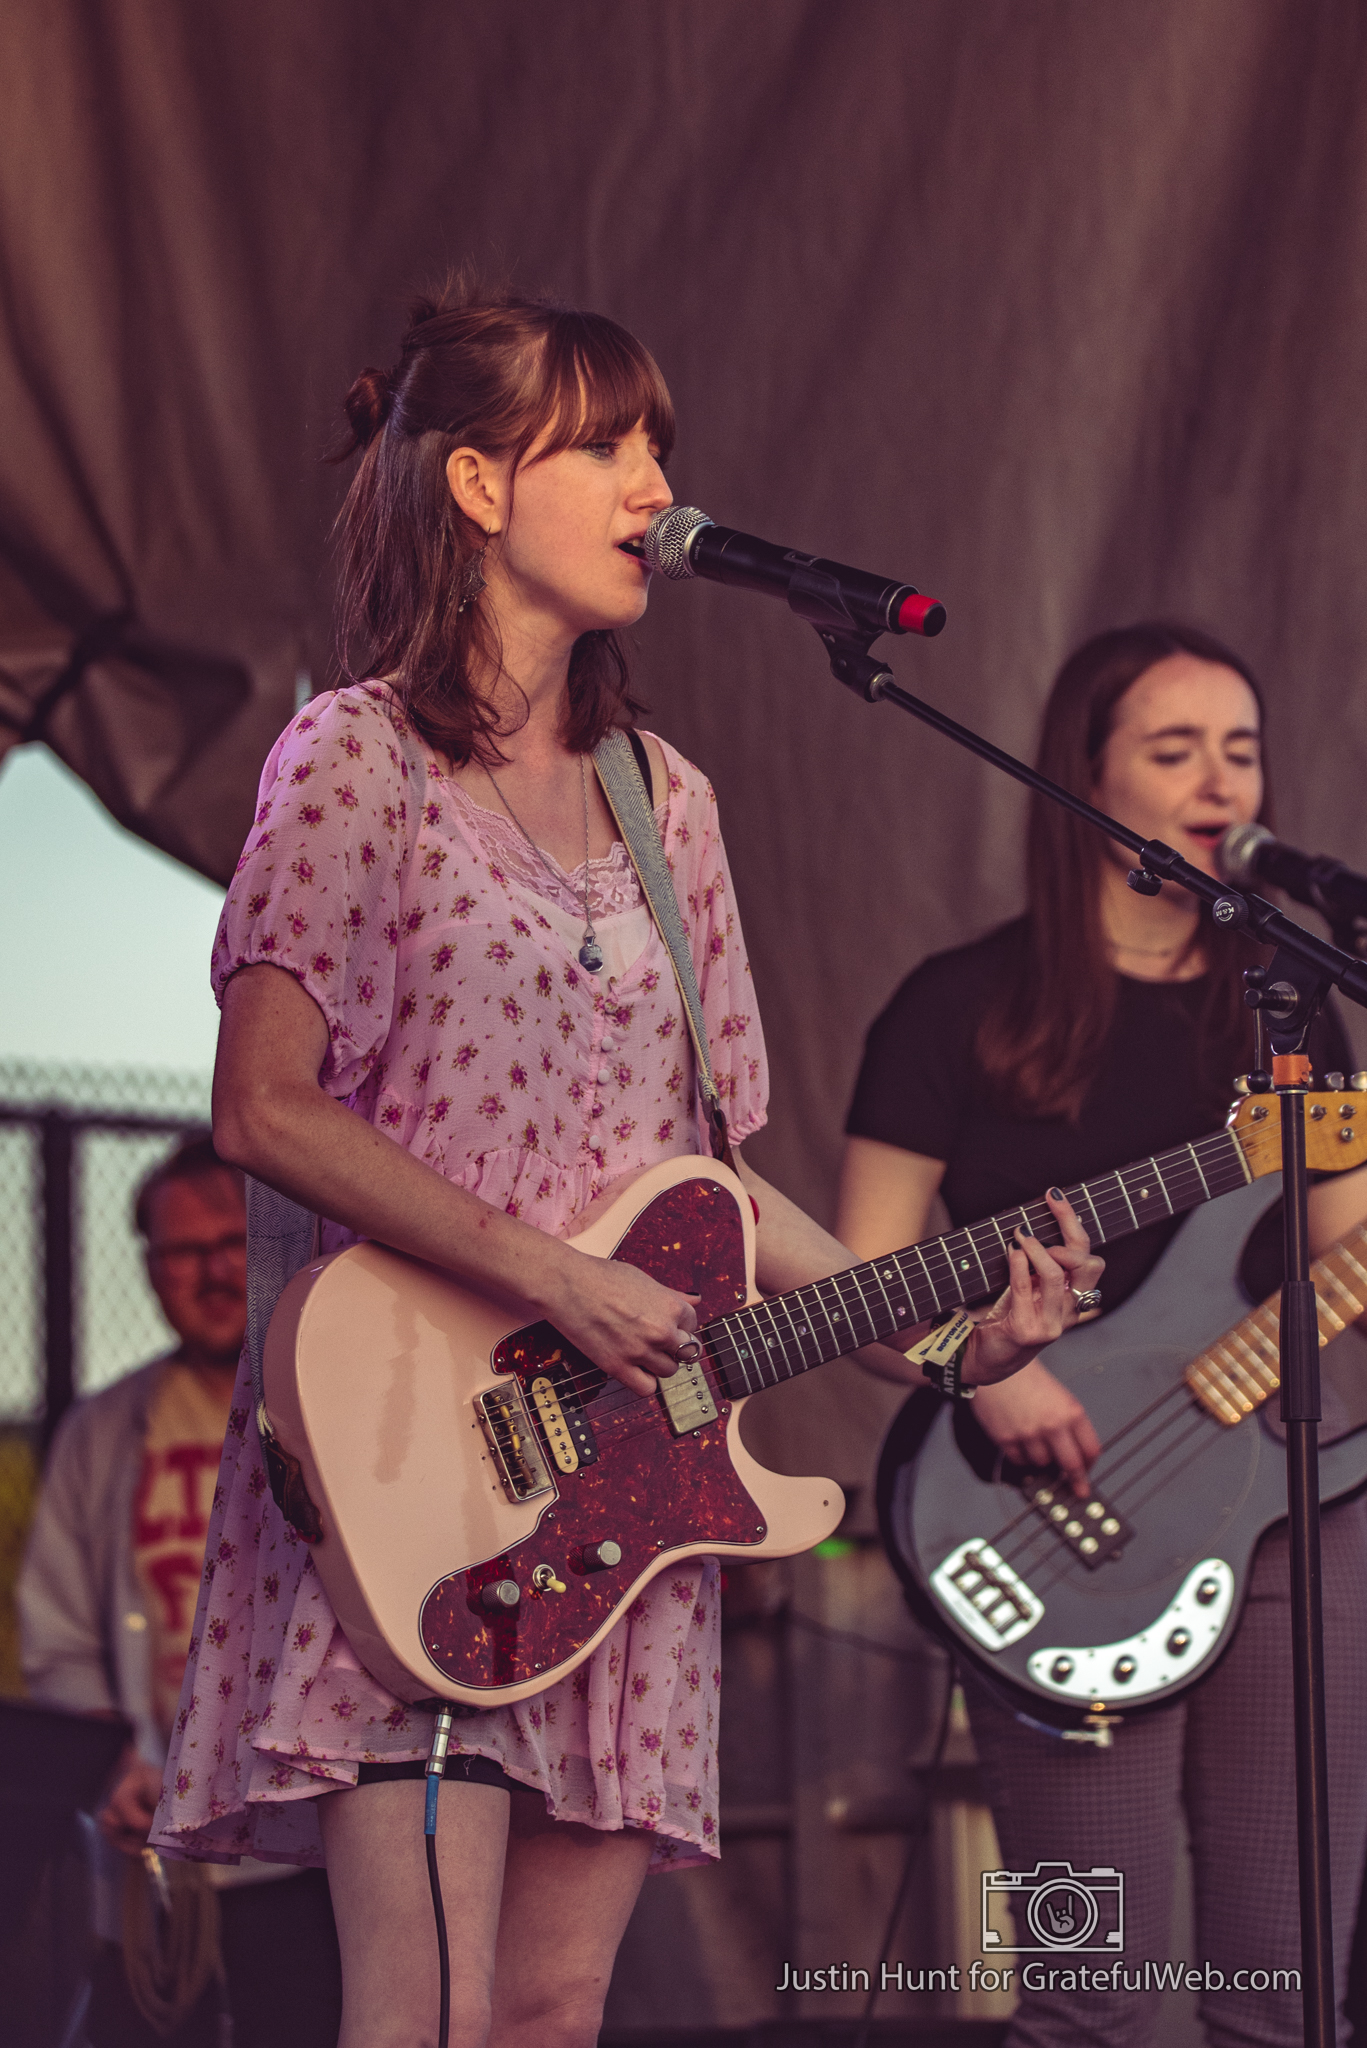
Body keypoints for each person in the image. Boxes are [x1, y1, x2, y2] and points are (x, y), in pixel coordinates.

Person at [146, 282, 1101, 2048]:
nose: (657, 478)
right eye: (606, 440)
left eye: (655, 439)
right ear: (482, 486)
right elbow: (264, 1108)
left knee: (552, 2007)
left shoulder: (673, 802)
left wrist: (958, 1325)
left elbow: (719, 1191)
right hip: (411, 1454)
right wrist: (548, 1270)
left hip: (629, 1499)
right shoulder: (352, 759)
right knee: (415, 2012)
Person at [838, 621, 1367, 2048]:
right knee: (1095, 2003)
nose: (1217, 782)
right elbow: (860, 1274)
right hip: (1043, 1503)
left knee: (1289, 1989)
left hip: (1281, 1504)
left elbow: (1335, 1254)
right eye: (1172, 748)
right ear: (1083, 775)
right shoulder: (956, 1008)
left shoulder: (1292, 1009)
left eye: (1240, 750)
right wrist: (986, 1383)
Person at [19, 1138, 343, 2048]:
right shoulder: (103, 1432)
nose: (209, 1272)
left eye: (229, 1242)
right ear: (150, 1270)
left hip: (323, 1846)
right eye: (178, 1251)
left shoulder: (339, 1398)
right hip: (168, 1857)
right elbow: (59, 1636)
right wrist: (111, 1763)